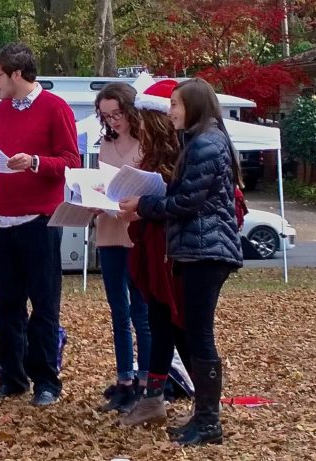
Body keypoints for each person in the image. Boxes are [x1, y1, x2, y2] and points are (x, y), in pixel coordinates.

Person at [119, 77, 244, 446]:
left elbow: (186, 201)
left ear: (194, 105)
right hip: (195, 248)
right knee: (191, 331)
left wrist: (143, 205)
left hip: (206, 250)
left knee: (199, 334)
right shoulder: (201, 140)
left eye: (175, 104)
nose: (170, 110)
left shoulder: (206, 143)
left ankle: (208, 422)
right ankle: (203, 418)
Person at [0, 43, 80, 407]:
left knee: (45, 305)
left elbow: (70, 161)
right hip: (5, 219)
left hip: (41, 219)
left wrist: (34, 162)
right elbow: (2, 161)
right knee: (7, 305)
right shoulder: (2, 110)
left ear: (17, 74)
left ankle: (47, 382)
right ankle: (12, 378)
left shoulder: (55, 107)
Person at [116, 79, 193, 426]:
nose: (139, 127)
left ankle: (206, 403)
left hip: (175, 252)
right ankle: (153, 399)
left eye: (145, 121)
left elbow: (182, 203)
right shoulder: (154, 154)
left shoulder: (185, 154)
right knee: (161, 322)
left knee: (182, 326)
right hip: (153, 247)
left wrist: (145, 204)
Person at [94, 82, 150, 413]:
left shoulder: (146, 142)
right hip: (108, 230)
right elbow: (103, 183)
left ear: (130, 109)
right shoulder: (105, 143)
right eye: (105, 116)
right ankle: (124, 380)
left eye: (117, 113)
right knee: (118, 310)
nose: (113, 121)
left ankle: (147, 383)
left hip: (136, 231)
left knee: (141, 311)